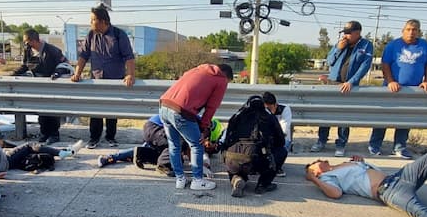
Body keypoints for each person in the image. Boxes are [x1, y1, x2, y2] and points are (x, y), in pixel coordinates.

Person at [158, 63, 233, 191]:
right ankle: (198, 181)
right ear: (227, 76)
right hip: (181, 111)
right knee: (197, 145)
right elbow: (211, 108)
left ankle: (180, 179)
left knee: (174, 145)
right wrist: (203, 130)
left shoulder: (197, 69)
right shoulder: (221, 80)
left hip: (164, 105)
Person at [369, 19, 427, 159]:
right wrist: (390, 81)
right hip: (392, 88)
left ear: (418, 32)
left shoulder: (424, 45)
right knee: (383, 117)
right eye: (409, 29)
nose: (411, 32)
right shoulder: (393, 45)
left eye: (415, 30)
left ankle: (399, 147)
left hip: (412, 90)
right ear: (403, 30)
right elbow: (385, 64)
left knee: (405, 118)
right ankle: (375, 145)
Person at [71, 4, 136, 148]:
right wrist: (77, 73)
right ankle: (94, 138)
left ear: (102, 21)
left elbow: (129, 57)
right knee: (95, 110)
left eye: (93, 19)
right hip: (96, 80)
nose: (90, 22)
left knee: (112, 111)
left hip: (115, 80)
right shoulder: (90, 35)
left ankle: (110, 137)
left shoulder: (119, 35)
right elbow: (83, 56)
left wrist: (130, 75)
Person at [312, 20, 374, 157]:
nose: (345, 35)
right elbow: (329, 61)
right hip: (332, 84)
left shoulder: (366, 46)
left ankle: (341, 144)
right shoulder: (340, 43)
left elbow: (365, 66)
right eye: (344, 33)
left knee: (343, 117)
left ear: (357, 33)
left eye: (348, 33)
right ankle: (321, 141)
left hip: (348, 86)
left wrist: (352, 82)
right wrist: (339, 49)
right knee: (326, 115)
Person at [98, 115, 222, 178]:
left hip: (154, 130)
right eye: (208, 142)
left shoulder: (198, 124)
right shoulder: (197, 125)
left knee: (169, 156)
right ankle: (164, 166)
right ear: (208, 131)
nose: (207, 146)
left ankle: (112, 157)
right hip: (156, 128)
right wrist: (201, 168)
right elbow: (191, 149)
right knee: (178, 146)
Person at [221, 95, 286, 197]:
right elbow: (281, 141)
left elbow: (224, 140)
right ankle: (263, 184)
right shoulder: (269, 117)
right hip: (255, 159)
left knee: (235, 161)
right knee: (282, 151)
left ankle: (236, 178)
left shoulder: (236, 116)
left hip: (232, 160)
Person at [13, 29, 68, 142]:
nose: (25, 44)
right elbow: (25, 66)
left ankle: (54, 134)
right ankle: (44, 133)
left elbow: (65, 64)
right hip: (38, 85)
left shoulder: (52, 50)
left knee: (52, 112)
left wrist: (57, 73)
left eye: (26, 41)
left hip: (52, 84)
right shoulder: (28, 51)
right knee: (41, 111)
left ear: (33, 40)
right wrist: (13, 74)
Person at [262, 91, 292, 175]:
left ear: (276, 104)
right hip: (266, 138)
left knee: (282, 147)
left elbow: (284, 130)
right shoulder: (261, 111)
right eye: (267, 109)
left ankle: (277, 166)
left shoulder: (285, 109)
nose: (269, 111)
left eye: (271, 108)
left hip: (281, 138)